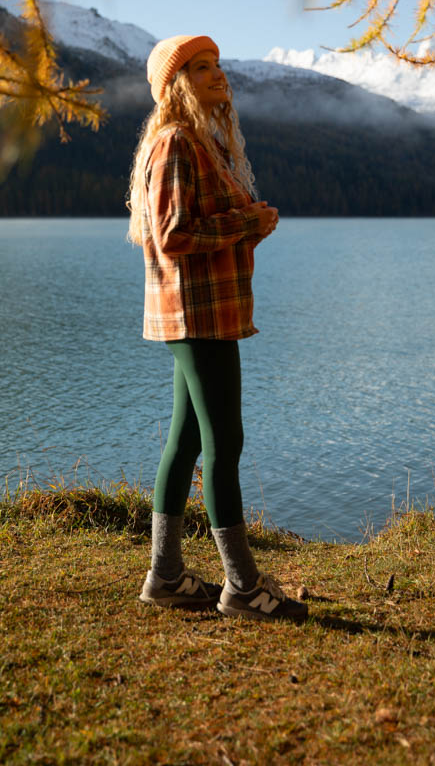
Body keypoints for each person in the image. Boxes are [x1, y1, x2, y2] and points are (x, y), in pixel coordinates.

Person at [127, 33, 307, 623]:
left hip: (204, 311)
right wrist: (245, 221)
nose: (216, 76)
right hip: (197, 313)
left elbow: (197, 229)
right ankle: (242, 587)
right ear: (175, 85)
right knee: (224, 442)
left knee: (188, 442)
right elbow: (175, 236)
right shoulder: (178, 142)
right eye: (200, 69)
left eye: (218, 66)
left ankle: (166, 575)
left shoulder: (201, 142)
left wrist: (250, 225)